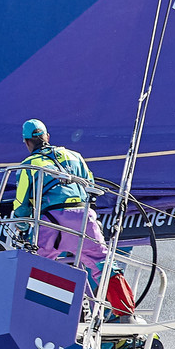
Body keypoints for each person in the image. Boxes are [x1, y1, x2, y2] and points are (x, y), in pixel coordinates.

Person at [12, 118, 107, 281]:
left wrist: (21, 227)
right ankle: (124, 305)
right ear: (47, 137)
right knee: (105, 265)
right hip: (84, 218)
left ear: (27, 142)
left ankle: (41, 304)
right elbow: (91, 188)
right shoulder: (75, 156)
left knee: (36, 268)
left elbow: (21, 206)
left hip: (50, 223)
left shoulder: (27, 166)